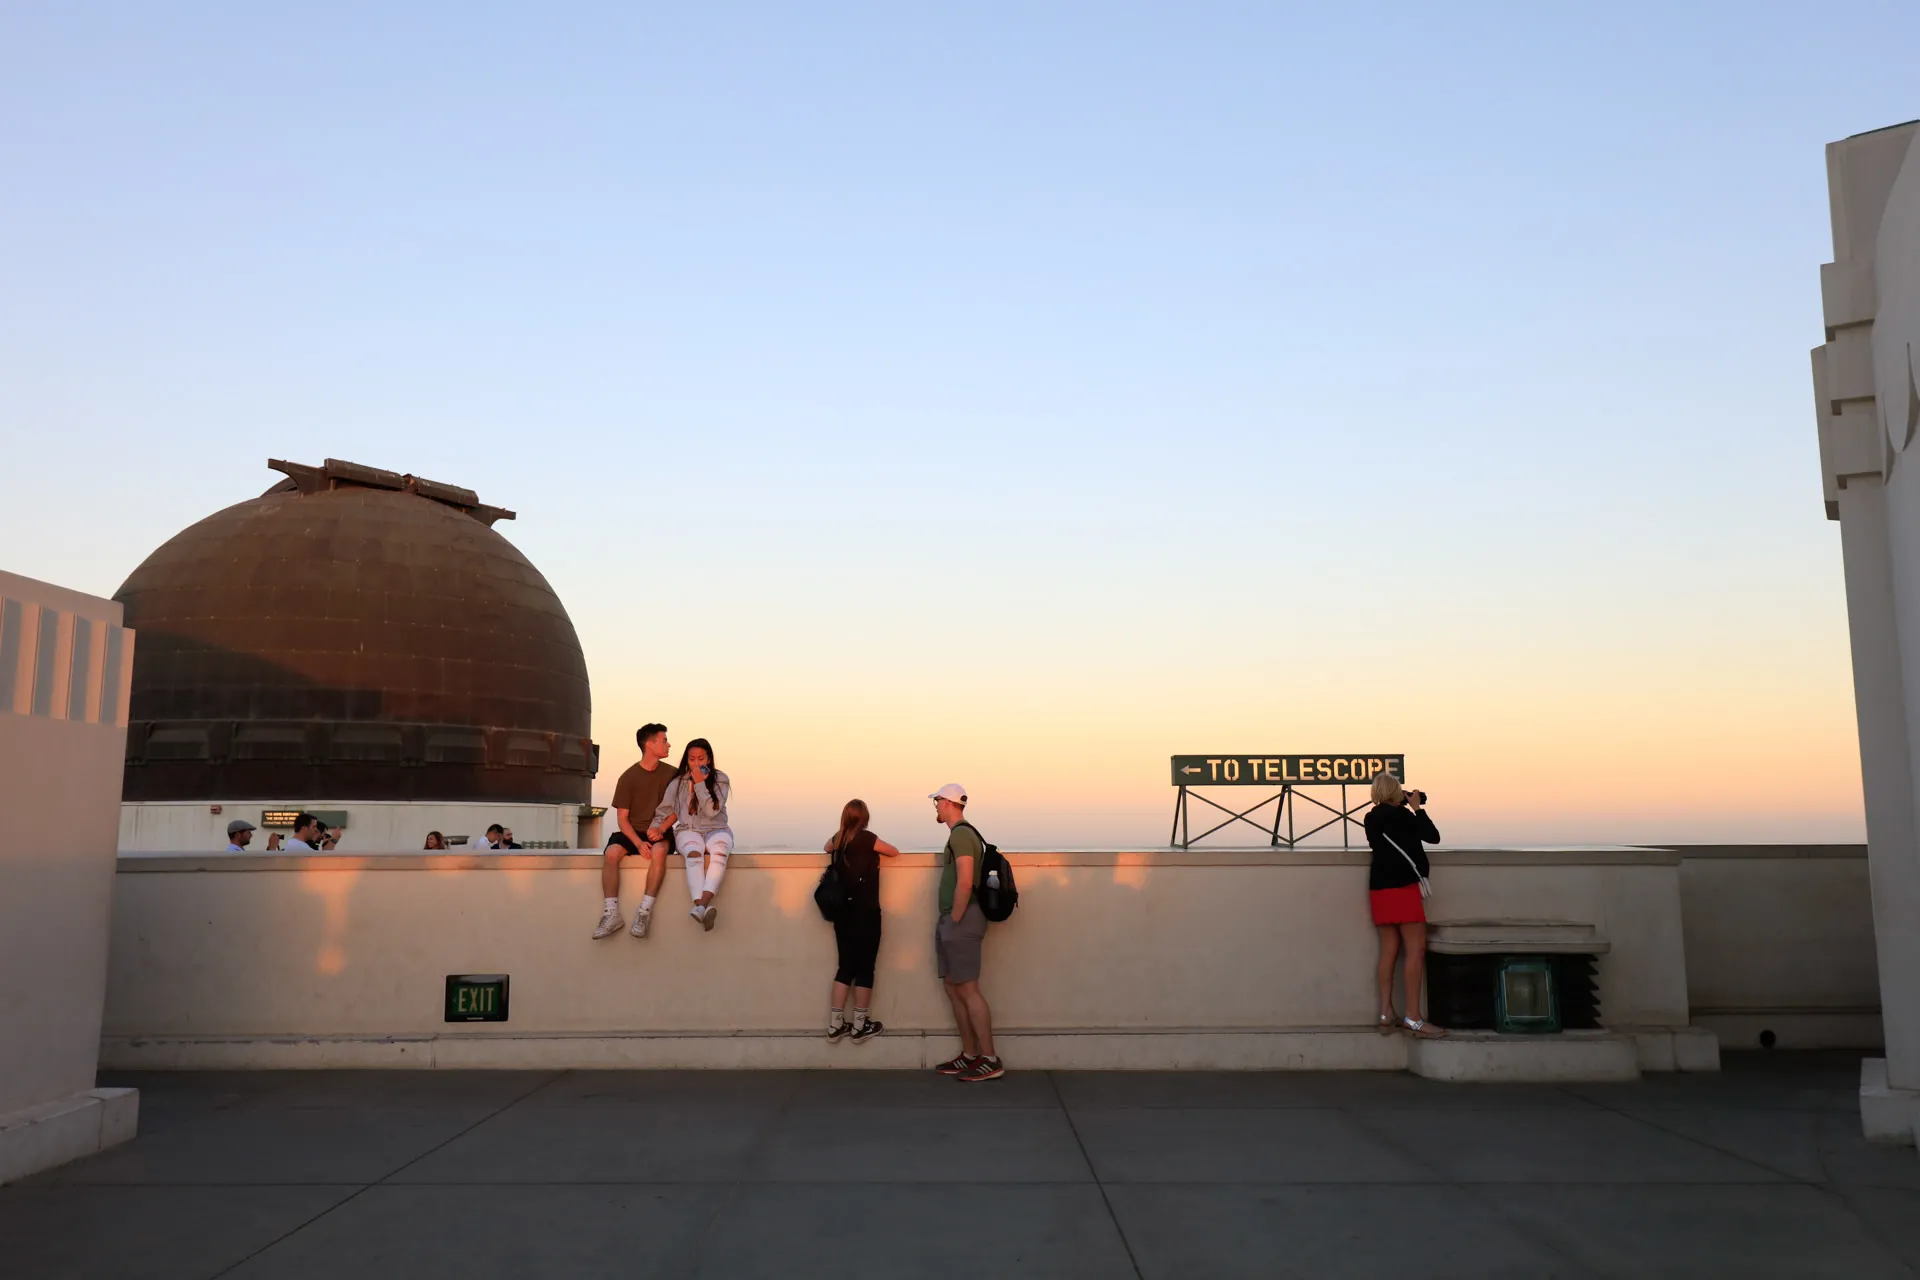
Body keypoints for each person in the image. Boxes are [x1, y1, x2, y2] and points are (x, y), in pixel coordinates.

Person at [929, 783, 1002, 1081]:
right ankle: (970, 1055)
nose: (935, 806)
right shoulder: (961, 834)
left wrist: (955, 919)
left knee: (968, 989)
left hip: (962, 920)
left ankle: (989, 1059)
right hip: (953, 919)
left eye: (937, 801)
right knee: (953, 986)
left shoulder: (961, 834)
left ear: (948, 803)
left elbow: (965, 880)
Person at [1364, 772, 1446, 1039]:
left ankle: (1386, 1012)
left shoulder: (1370, 818)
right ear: (1395, 792)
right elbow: (1432, 837)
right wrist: (1416, 808)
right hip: (1403, 888)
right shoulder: (1403, 816)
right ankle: (1414, 1017)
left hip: (1379, 889)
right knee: (1415, 949)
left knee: (1389, 950)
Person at [822, 799, 901, 1043]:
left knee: (845, 967)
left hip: (842, 914)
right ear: (864, 818)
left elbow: (826, 847)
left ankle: (835, 1026)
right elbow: (894, 851)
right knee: (866, 967)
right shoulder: (867, 839)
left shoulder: (839, 839)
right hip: (866, 913)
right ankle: (859, 1025)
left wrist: (840, 833)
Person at [594, 724, 679, 940]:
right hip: (633, 832)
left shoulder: (672, 774)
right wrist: (638, 843)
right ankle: (611, 913)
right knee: (611, 853)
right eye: (664, 740)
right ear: (649, 744)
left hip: (660, 830)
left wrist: (661, 829)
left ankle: (644, 912)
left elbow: (679, 810)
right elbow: (622, 819)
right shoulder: (628, 777)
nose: (668, 744)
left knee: (659, 852)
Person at [648, 738, 731, 931]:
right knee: (694, 853)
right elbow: (665, 810)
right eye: (692, 759)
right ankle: (702, 907)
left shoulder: (721, 779)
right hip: (688, 830)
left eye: (700, 758)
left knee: (719, 853)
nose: (696, 763)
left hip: (717, 828)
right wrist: (656, 828)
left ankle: (700, 906)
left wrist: (701, 785)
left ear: (708, 759)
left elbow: (712, 811)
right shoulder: (678, 783)